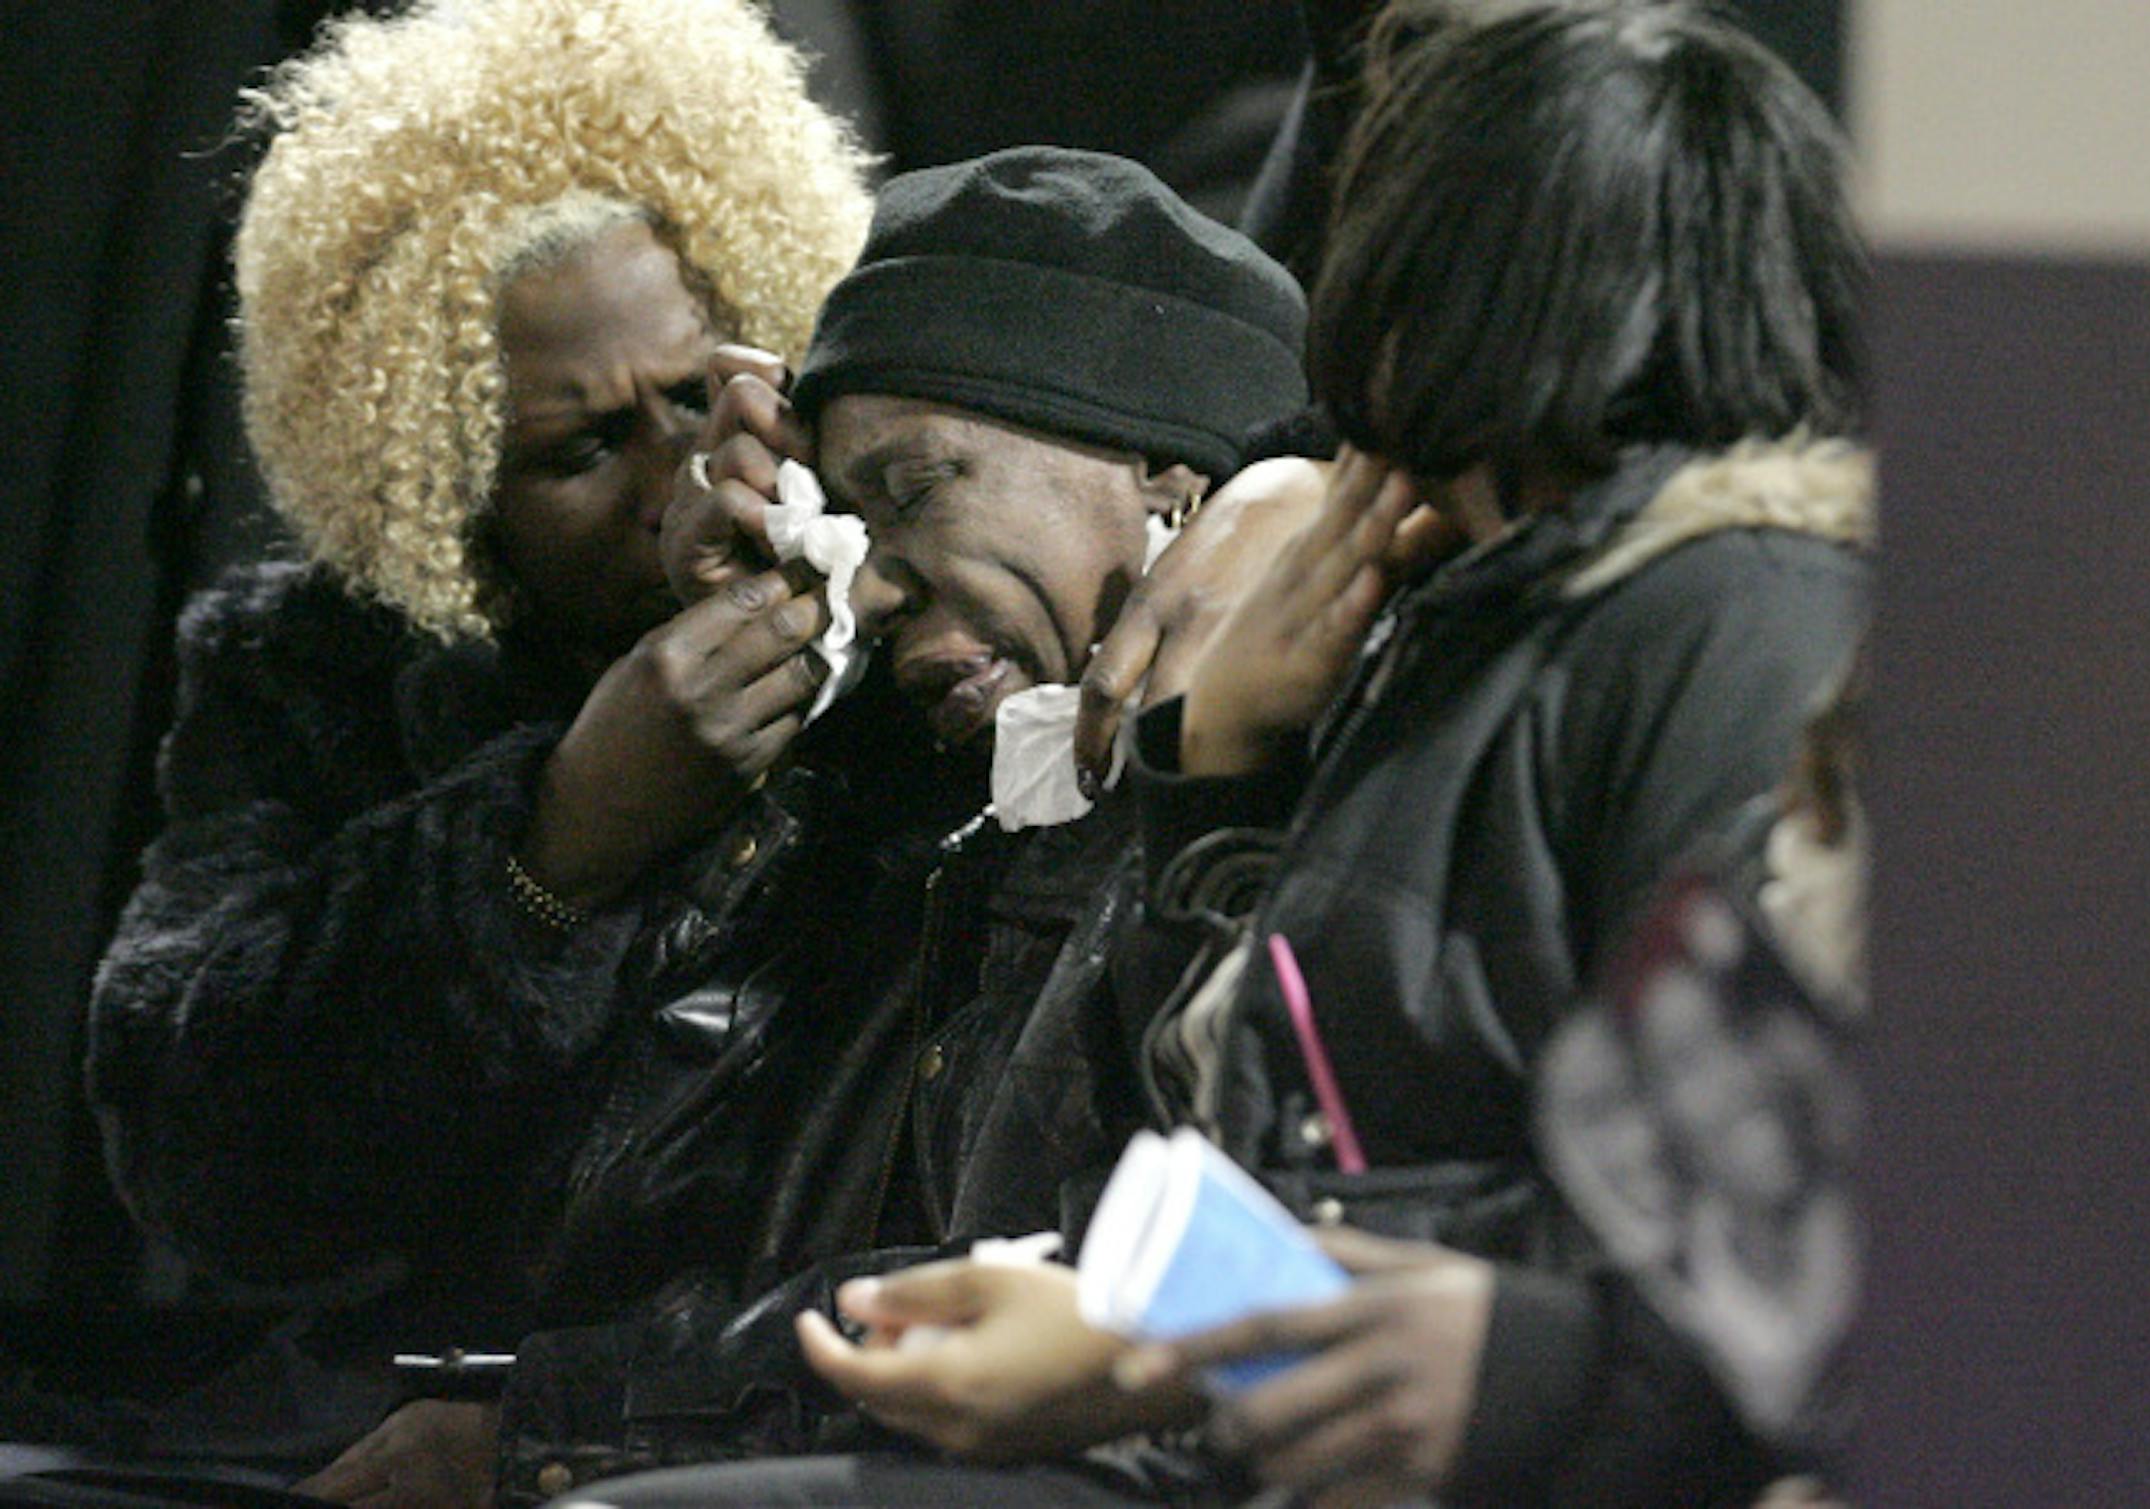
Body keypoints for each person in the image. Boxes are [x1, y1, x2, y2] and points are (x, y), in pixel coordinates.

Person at [619, 3, 1871, 1506]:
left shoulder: (1731, 622)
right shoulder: (1453, 627)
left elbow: (1737, 1249)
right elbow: (1183, 1155)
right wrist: (1211, 778)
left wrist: (1174, 1341)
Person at [269, 146, 1319, 1507]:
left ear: (1174, 488)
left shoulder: (1265, 807)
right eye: (843, 516)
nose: (865, 590)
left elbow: (1122, 1301)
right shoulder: (919, 812)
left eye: (917, 487)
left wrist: (546, 1436)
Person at [76, 0, 874, 1491]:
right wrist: (554, 840)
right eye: (581, 448)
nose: (675, 481)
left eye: (696, 394)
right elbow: (196, 1153)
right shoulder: (311, 671)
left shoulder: (907, 621)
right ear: (444, 481)